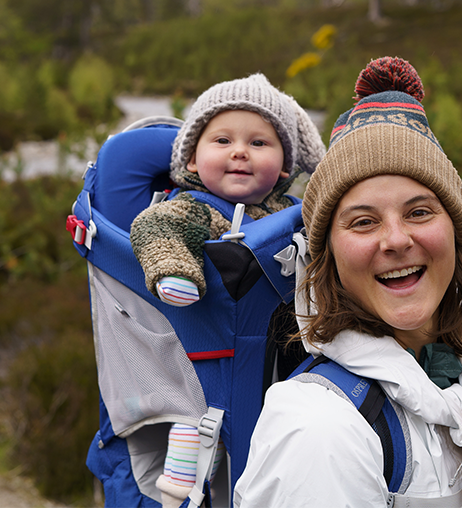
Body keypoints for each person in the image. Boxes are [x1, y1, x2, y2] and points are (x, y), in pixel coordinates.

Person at [233, 57, 462, 507]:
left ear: (455, 232)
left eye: (419, 212)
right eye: (363, 222)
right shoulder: (318, 424)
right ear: (328, 257)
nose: (396, 240)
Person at [129, 72, 326, 507]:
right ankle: (180, 493)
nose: (240, 151)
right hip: (208, 353)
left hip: (280, 354)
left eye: (259, 143)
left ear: (286, 166)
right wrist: (174, 271)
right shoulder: (195, 207)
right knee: (199, 430)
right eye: (222, 141)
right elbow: (156, 227)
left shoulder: (292, 212)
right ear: (193, 161)